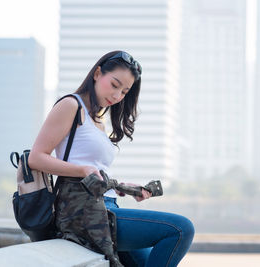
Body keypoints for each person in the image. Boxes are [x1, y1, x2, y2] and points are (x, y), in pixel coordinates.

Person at [28, 51, 195, 267]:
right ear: (97, 73)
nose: (117, 96)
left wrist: (120, 186)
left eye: (124, 91)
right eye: (115, 85)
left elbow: (94, 167)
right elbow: (36, 157)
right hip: (82, 212)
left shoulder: (98, 119)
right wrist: (82, 171)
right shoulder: (71, 105)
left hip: (105, 205)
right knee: (181, 229)